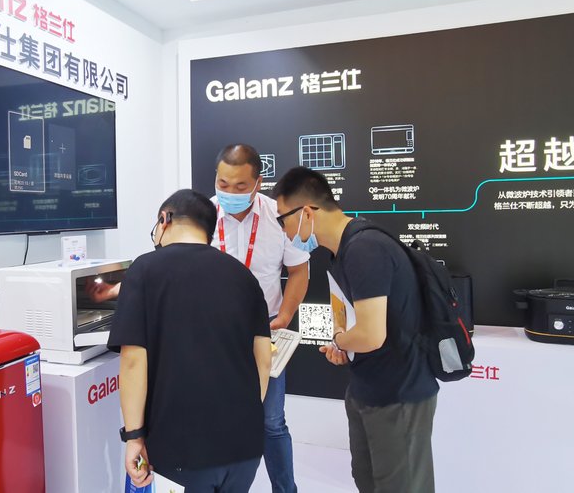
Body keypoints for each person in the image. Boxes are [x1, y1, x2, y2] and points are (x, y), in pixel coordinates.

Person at [271, 166, 439, 493]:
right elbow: (363, 329)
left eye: (283, 220)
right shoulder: (344, 251)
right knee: (368, 480)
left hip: (398, 394)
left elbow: (371, 335)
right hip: (369, 388)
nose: (284, 231)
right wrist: (346, 346)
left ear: (306, 213)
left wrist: (340, 339)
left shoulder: (365, 249)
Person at [107, 189, 272, 493]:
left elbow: (132, 362)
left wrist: (134, 437)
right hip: (244, 446)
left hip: (180, 449)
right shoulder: (242, 275)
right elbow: (263, 359)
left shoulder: (144, 270)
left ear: (164, 219)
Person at [211, 143, 309, 493]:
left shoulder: (278, 216)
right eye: (223, 184)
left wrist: (285, 315)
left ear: (258, 182)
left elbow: (299, 270)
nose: (230, 192)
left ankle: (285, 489)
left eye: (240, 186)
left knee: (271, 421)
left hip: (265, 329)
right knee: (215, 418)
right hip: (214, 333)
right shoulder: (202, 216)